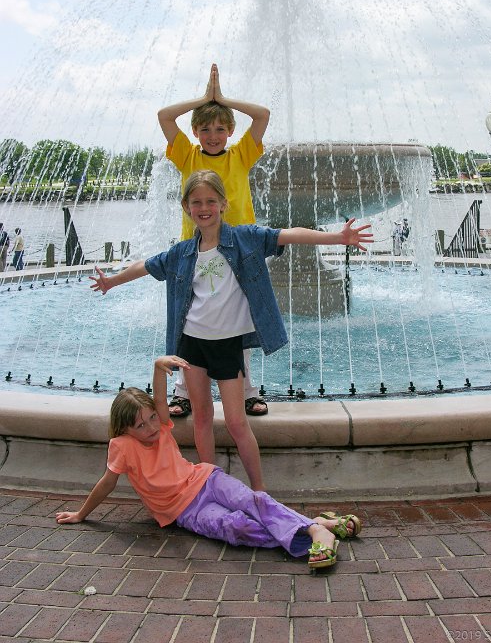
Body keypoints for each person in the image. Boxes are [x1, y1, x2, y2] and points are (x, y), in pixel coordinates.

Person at [90, 170, 374, 492]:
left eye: (211, 201)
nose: (204, 208)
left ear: (223, 204)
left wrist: (337, 237)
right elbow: (146, 265)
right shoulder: (182, 253)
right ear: (186, 207)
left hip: (228, 345)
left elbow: (288, 234)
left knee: (237, 423)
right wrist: (111, 281)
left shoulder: (244, 239)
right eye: (197, 202)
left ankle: (259, 489)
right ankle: (210, 485)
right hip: (192, 344)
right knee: (201, 418)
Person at [55, 355, 362, 570]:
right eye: (140, 425)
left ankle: (317, 532)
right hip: (185, 510)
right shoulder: (122, 446)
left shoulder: (161, 426)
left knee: (253, 501)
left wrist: (158, 368)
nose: (150, 427)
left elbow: (159, 400)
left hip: (206, 479)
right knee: (236, 527)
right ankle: (315, 526)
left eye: (152, 418)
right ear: (124, 429)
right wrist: (82, 514)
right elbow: (107, 483)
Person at [158, 63, 270, 418]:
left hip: (239, 252)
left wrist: (223, 99)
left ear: (231, 131)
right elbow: (164, 116)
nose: (213, 135)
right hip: (195, 250)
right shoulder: (187, 155)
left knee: (241, 318)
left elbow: (263, 115)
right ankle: (182, 392)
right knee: (188, 317)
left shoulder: (241, 154)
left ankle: (247, 391)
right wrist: (204, 99)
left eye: (221, 128)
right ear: (195, 131)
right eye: (205, 129)